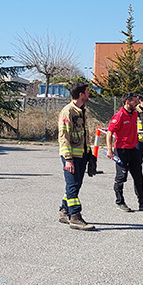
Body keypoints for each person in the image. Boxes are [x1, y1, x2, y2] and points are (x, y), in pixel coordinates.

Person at [105, 92, 143, 213]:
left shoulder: (134, 114)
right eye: (134, 101)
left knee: (138, 176)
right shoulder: (119, 116)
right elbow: (109, 133)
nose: (137, 102)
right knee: (121, 177)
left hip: (134, 149)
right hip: (122, 150)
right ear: (127, 102)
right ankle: (120, 201)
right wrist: (110, 149)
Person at [57, 82, 96, 231]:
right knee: (73, 186)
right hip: (72, 156)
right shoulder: (68, 112)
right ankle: (75, 216)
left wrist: (89, 154)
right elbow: (64, 136)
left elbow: (83, 135)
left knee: (75, 186)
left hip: (82, 156)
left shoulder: (81, 110)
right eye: (87, 92)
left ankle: (64, 210)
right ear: (81, 95)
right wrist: (68, 159)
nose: (88, 94)